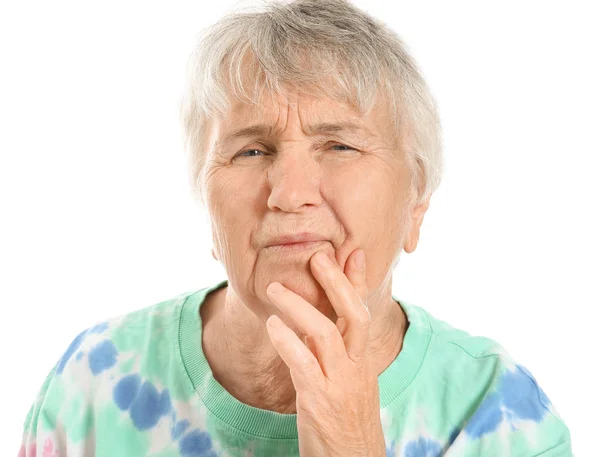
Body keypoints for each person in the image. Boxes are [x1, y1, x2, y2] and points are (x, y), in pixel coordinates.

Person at [18, 0, 572, 455]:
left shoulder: (500, 416)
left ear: (416, 200)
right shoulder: (94, 380)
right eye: (251, 150)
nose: (288, 194)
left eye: (338, 145)